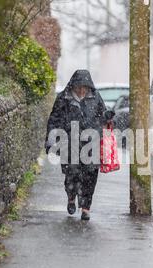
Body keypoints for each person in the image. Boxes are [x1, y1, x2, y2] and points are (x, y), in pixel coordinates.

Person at [45, 70, 115, 221]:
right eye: (79, 87)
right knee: (72, 175)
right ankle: (71, 198)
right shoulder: (63, 98)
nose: (82, 90)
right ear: (73, 86)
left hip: (92, 143)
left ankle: (85, 208)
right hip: (69, 143)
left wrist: (107, 117)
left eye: (85, 87)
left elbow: (102, 116)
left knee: (90, 176)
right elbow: (54, 119)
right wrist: (51, 141)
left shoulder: (95, 97)